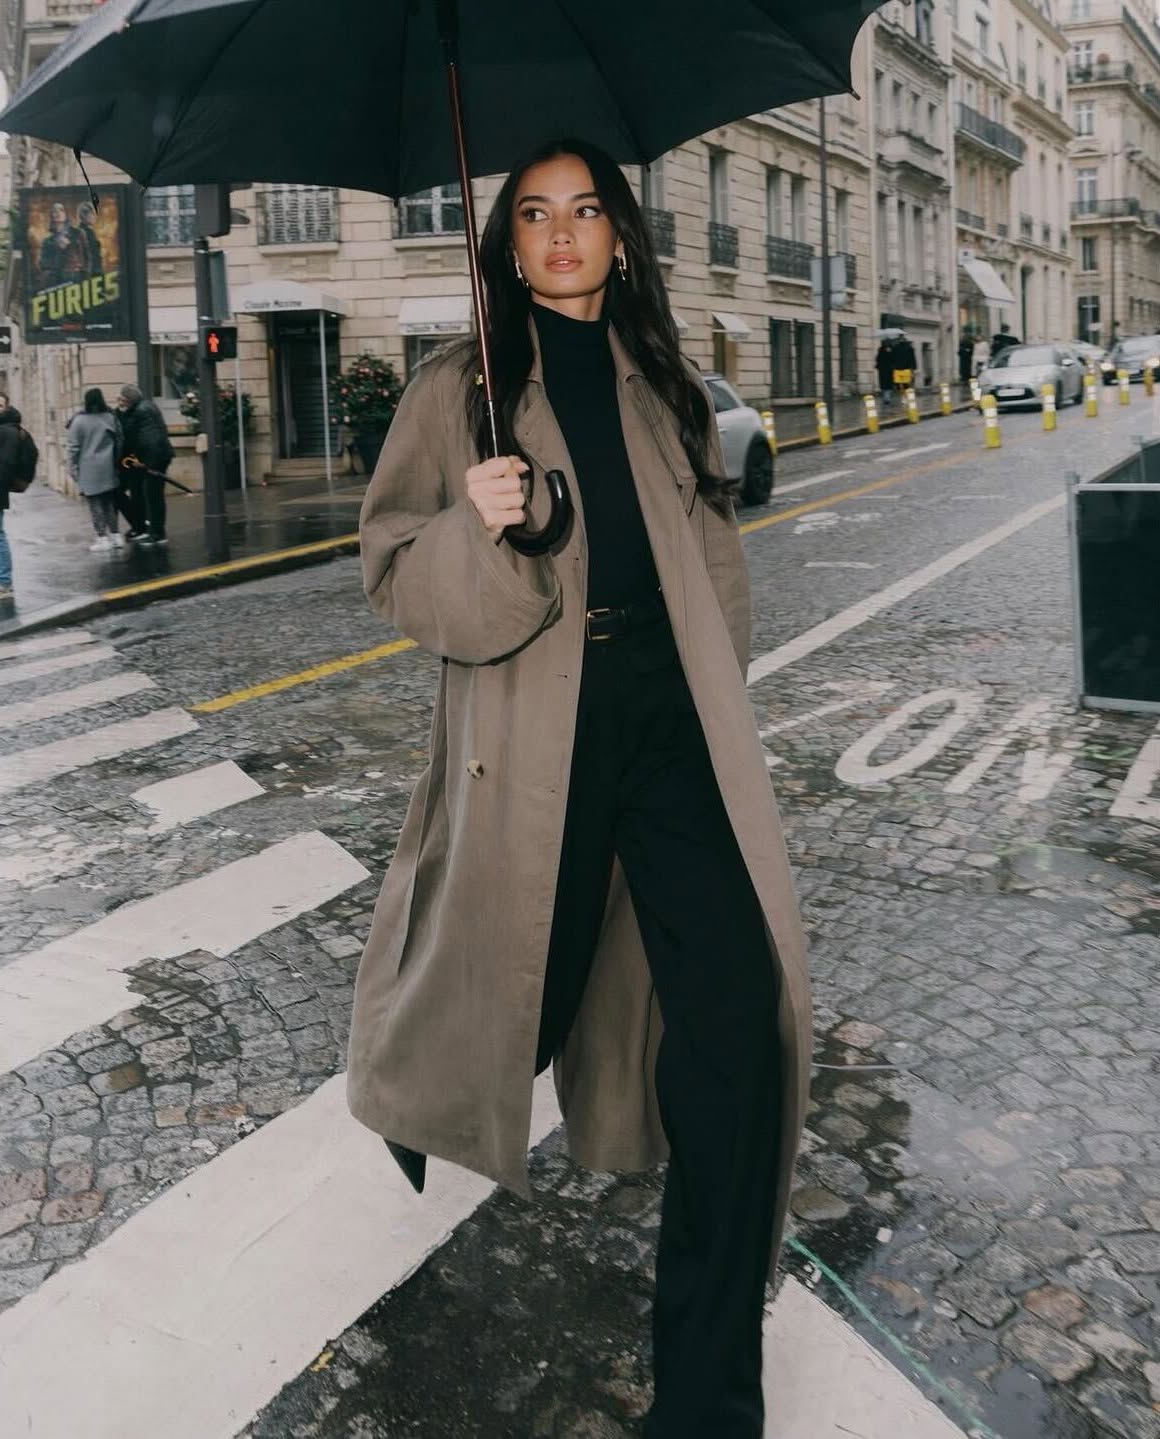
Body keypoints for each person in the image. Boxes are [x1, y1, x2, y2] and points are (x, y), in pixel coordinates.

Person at [347, 138, 811, 1439]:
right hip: (538, 735)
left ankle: (708, 1400)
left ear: (619, 236)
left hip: (671, 733)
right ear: (507, 241)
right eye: (536, 214)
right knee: (518, 990)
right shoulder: (460, 392)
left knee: (741, 1030)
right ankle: (418, 1078)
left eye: (586, 210)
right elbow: (393, 569)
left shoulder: (663, 381)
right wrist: (473, 523)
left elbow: (712, 555)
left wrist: (718, 680)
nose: (561, 233)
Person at [66, 388, 124, 553]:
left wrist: (73, 469)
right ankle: (116, 536)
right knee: (109, 504)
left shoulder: (78, 421)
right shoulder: (110, 418)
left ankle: (102, 538)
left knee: (95, 504)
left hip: (88, 468)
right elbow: (120, 440)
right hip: (108, 466)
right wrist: (115, 461)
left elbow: (73, 448)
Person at [117, 384, 173, 545]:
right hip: (158, 456)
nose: (121, 402)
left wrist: (121, 412)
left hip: (153, 458)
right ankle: (153, 530)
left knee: (153, 496)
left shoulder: (138, 412)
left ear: (128, 400)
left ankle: (157, 533)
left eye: (123, 399)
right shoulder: (147, 406)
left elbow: (130, 433)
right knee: (151, 494)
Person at [892, 329, 917, 394]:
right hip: (904, 369)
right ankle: (905, 396)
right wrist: (913, 368)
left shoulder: (895, 347)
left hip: (900, 369)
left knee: (900, 385)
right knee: (905, 385)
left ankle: (903, 396)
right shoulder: (909, 347)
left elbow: (892, 359)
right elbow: (912, 358)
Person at [875, 334, 897, 404]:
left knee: (885, 384)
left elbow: (877, 359)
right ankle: (887, 398)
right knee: (887, 384)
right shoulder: (889, 349)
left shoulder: (882, 349)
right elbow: (893, 359)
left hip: (884, 369)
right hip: (887, 369)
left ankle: (886, 398)